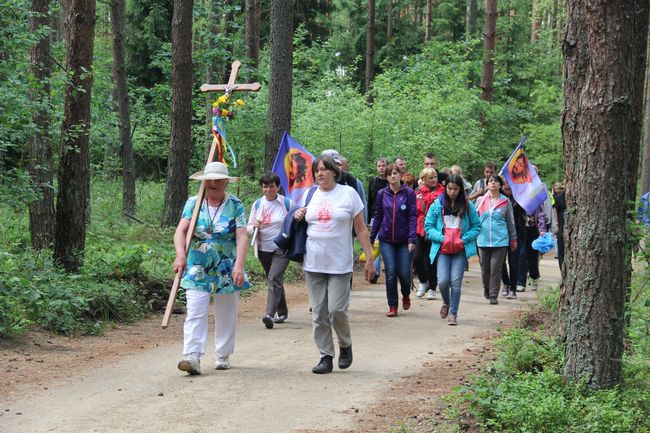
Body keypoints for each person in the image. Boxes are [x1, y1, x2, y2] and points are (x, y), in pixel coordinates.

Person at [293, 155, 375, 374]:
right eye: (317, 170)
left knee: (336, 310)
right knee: (319, 312)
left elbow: (361, 229)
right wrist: (298, 213)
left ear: (334, 172)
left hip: (340, 263)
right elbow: (297, 218)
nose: (320, 173)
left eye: (324, 169)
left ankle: (345, 344)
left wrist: (369, 258)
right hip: (314, 261)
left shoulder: (349, 194)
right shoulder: (309, 194)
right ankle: (325, 355)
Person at [173, 161, 251, 375]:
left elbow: (242, 236)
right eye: (210, 180)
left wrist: (239, 265)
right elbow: (180, 232)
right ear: (204, 182)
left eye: (218, 179)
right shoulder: (193, 203)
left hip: (226, 266)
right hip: (198, 265)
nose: (213, 183)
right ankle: (192, 355)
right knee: (195, 310)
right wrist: (181, 256)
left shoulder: (235, 204)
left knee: (226, 312)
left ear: (226, 182)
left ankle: (223, 354)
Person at [424, 174, 481, 326]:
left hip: (460, 250)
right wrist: (442, 239)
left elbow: (477, 226)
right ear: (445, 188)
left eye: (456, 189)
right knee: (442, 282)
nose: (452, 192)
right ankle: (446, 302)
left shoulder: (468, 206)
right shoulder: (438, 204)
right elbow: (428, 226)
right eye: (449, 188)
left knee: (455, 282)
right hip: (442, 249)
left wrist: (464, 239)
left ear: (460, 189)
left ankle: (453, 313)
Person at [247, 172, 294, 329]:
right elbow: (247, 228)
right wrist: (254, 226)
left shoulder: (287, 203)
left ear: (278, 187)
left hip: (282, 248)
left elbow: (295, 223)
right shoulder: (257, 205)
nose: (268, 190)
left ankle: (269, 315)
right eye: (265, 187)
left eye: (271, 186)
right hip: (263, 248)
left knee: (273, 277)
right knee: (274, 279)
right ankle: (282, 312)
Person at [370, 164, 417, 317]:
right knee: (390, 272)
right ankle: (393, 306)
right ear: (387, 177)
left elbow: (412, 217)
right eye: (390, 174)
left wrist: (412, 239)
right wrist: (371, 238)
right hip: (386, 240)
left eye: (395, 173)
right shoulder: (382, 194)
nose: (393, 176)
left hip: (404, 240)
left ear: (400, 175)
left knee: (403, 273)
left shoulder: (409, 193)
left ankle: (405, 294)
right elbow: (378, 216)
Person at [475, 175, 517, 304]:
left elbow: (510, 221)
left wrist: (513, 238)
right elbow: (474, 220)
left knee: (496, 268)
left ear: (500, 185)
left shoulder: (505, 201)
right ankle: (486, 288)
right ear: (487, 184)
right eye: (490, 181)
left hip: (500, 240)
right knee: (485, 269)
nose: (493, 183)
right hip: (482, 239)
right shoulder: (480, 200)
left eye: (496, 181)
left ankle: (494, 294)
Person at [414, 168, 445, 300]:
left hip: (435, 230)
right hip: (420, 228)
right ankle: (423, 282)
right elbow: (416, 208)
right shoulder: (418, 192)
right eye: (430, 178)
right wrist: (421, 190)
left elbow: (435, 204)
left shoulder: (442, 191)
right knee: (416, 258)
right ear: (424, 179)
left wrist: (424, 191)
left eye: (435, 177)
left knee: (430, 260)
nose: (433, 180)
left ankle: (432, 287)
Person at [500, 181, 526, 299]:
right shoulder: (499, 199)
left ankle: (513, 288)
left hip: (516, 233)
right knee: (500, 262)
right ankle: (505, 282)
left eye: (509, 187)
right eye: (505, 188)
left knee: (514, 261)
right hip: (500, 234)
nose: (507, 189)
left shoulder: (520, 199)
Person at [516, 203, 548, 291]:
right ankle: (520, 282)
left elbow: (541, 215)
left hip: (533, 231)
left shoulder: (537, 201)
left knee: (533, 257)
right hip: (521, 231)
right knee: (521, 256)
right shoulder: (518, 199)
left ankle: (534, 278)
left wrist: (542, 229)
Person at [367, 158, 389, 282]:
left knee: (386, 243)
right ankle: (374, 273)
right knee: (375, 244)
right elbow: (370, 201)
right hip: (376, 217)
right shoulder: (373, 182)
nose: (381, 168)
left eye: (383, 165)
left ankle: (390, 269)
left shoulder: (391, 182)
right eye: (379, 166)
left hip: (389, 217)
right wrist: (369, 219)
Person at [552, 181, 566, 269]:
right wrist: (556, 226)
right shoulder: (558, 198)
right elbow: (554, 213)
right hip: (561, 227)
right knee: (561, 250)